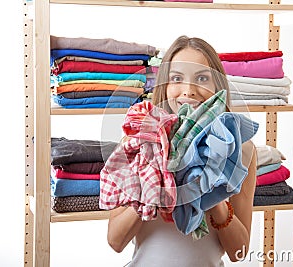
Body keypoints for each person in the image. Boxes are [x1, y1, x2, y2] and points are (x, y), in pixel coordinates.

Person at [106, 35, 257, 266]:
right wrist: (152, 189)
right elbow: (115, 241)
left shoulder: (242, 150)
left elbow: (240, 252)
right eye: (177, 78)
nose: (188, 90)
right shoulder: (137, 143)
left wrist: (214, 197)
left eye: (202, 78)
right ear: (165, 86)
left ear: (218, 85)